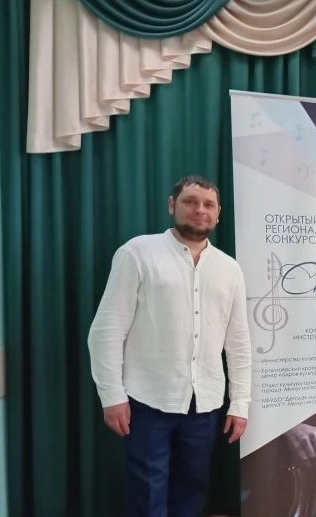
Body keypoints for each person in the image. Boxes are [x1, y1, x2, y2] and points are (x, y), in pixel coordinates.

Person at [88, 175, 252, 517]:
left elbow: (238, 343)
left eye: (208, 204)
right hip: (147, 401)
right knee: (147, 496)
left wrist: (240, 403)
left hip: (204, 405)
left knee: (191, 493)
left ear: (218, 213)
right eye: (190, 201)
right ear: (171, 205)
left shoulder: (230, 269)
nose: (200, 210)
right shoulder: (137, 253)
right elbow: (106, 330)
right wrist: (112, 396)